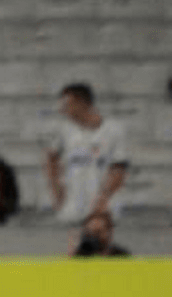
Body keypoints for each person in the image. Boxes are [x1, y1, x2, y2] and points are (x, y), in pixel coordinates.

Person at [45, 82, 128, 224]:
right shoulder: (63, 130)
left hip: (104, 211)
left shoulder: (113, 130)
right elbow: (51, 160)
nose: (62, 110)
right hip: (72, 209)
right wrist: (57, 192)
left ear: (81, 103)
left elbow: (119, 169)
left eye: (67, 105)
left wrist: (103, 200)